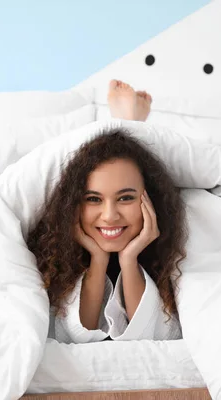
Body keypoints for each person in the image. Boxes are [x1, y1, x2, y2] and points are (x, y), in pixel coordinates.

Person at [27, 80, 187, 343]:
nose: (110, 215)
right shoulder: (55, 255)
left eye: (125, 198)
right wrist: (98, 260)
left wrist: (129, 259)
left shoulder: (172, 249)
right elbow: (74, 336)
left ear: (149, 200)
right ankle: (129, 121)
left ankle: (129, 123)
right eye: (93, 199)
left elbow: (155, 335)